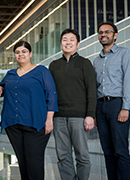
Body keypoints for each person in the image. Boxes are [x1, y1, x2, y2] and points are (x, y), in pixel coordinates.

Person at [0, 41, 58, 180]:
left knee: (34, 163)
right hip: (14, 124)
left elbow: (51, 95)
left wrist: (49, 119)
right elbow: (3, 85)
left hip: (36, 124)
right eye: (17, 52)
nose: (20, 54)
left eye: (24, 51)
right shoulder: (10, 74)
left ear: (30, 54)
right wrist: (0, 87)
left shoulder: (41, 71)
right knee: (22, 163)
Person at [49, 28, 96, 180]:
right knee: (63, 156)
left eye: (71, 39)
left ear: (78, 44)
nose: (68, 42)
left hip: (79, 117)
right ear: (61, 43)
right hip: (58, 117)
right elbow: (50, 93)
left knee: (82, 155)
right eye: (64, 39)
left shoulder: (85, 63)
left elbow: (92, 91)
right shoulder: (54, 65)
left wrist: (90, 115)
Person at [93, 22, 130, 180]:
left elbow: (129, 82)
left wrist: (126, 107)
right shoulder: (96, 61)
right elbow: (95, 87)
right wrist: (95, 112)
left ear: (115, 35)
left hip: (117, 105)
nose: (103, 35)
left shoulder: (124, 54)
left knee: (120, 150)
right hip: (101, 106)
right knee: (108, 152)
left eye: (107, 32)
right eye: (100, 32)